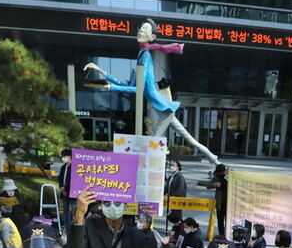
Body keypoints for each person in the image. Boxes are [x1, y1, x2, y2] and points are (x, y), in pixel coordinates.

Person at [85, 19, 219, 165]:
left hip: (165, 109)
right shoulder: (142, 55)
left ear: (152, 37)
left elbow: (139, 90)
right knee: (189, 138)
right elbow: (130, 86)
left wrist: (109, 88)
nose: (141, 31)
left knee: (155, 140)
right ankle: (214, 159)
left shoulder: (145, 56)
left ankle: (143, 168)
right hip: (164, 109)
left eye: (146, 30)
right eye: (140, 29)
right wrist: (102, 72)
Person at [207, 163, 229, 238]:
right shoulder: (216, 177)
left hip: (228, 202)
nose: (222, 173)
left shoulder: (229, 177)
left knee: (228, 219)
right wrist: (215, 185)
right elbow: (208, 185)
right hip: (220, 202)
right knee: (220, 219)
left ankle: (228, 233)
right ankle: (221, 233)